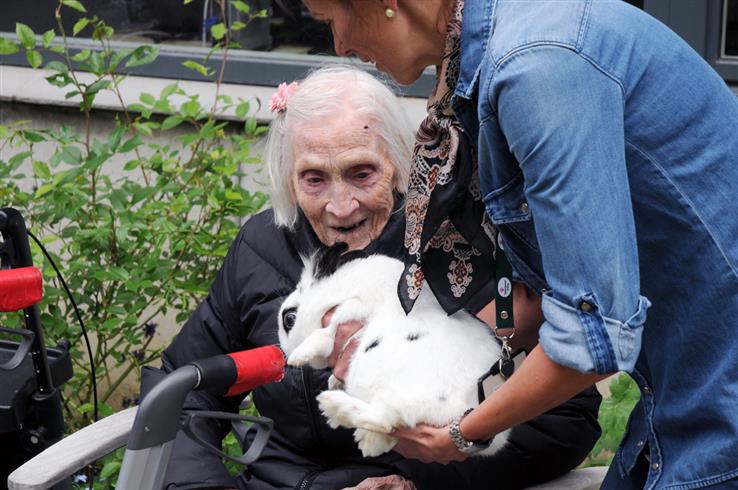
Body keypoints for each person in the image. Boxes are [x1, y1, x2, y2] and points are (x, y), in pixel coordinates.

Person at [301, 0, 738, 488]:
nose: (339, 44)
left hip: (718, 388)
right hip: (681, 383)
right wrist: (397, 344)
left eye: (329, 18)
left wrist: (464, 434)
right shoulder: (487, 59)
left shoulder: (536, 65)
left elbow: (593, 334)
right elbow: (524, 300)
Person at [140, 65, 602, 490]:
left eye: (362, 173)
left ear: (399, 162)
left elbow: (562, 419)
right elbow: (181, 391)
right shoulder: (261, 247)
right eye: (314, 179)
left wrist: (419, 477)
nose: (341, 206)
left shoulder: (461, 246)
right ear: (287, 179)